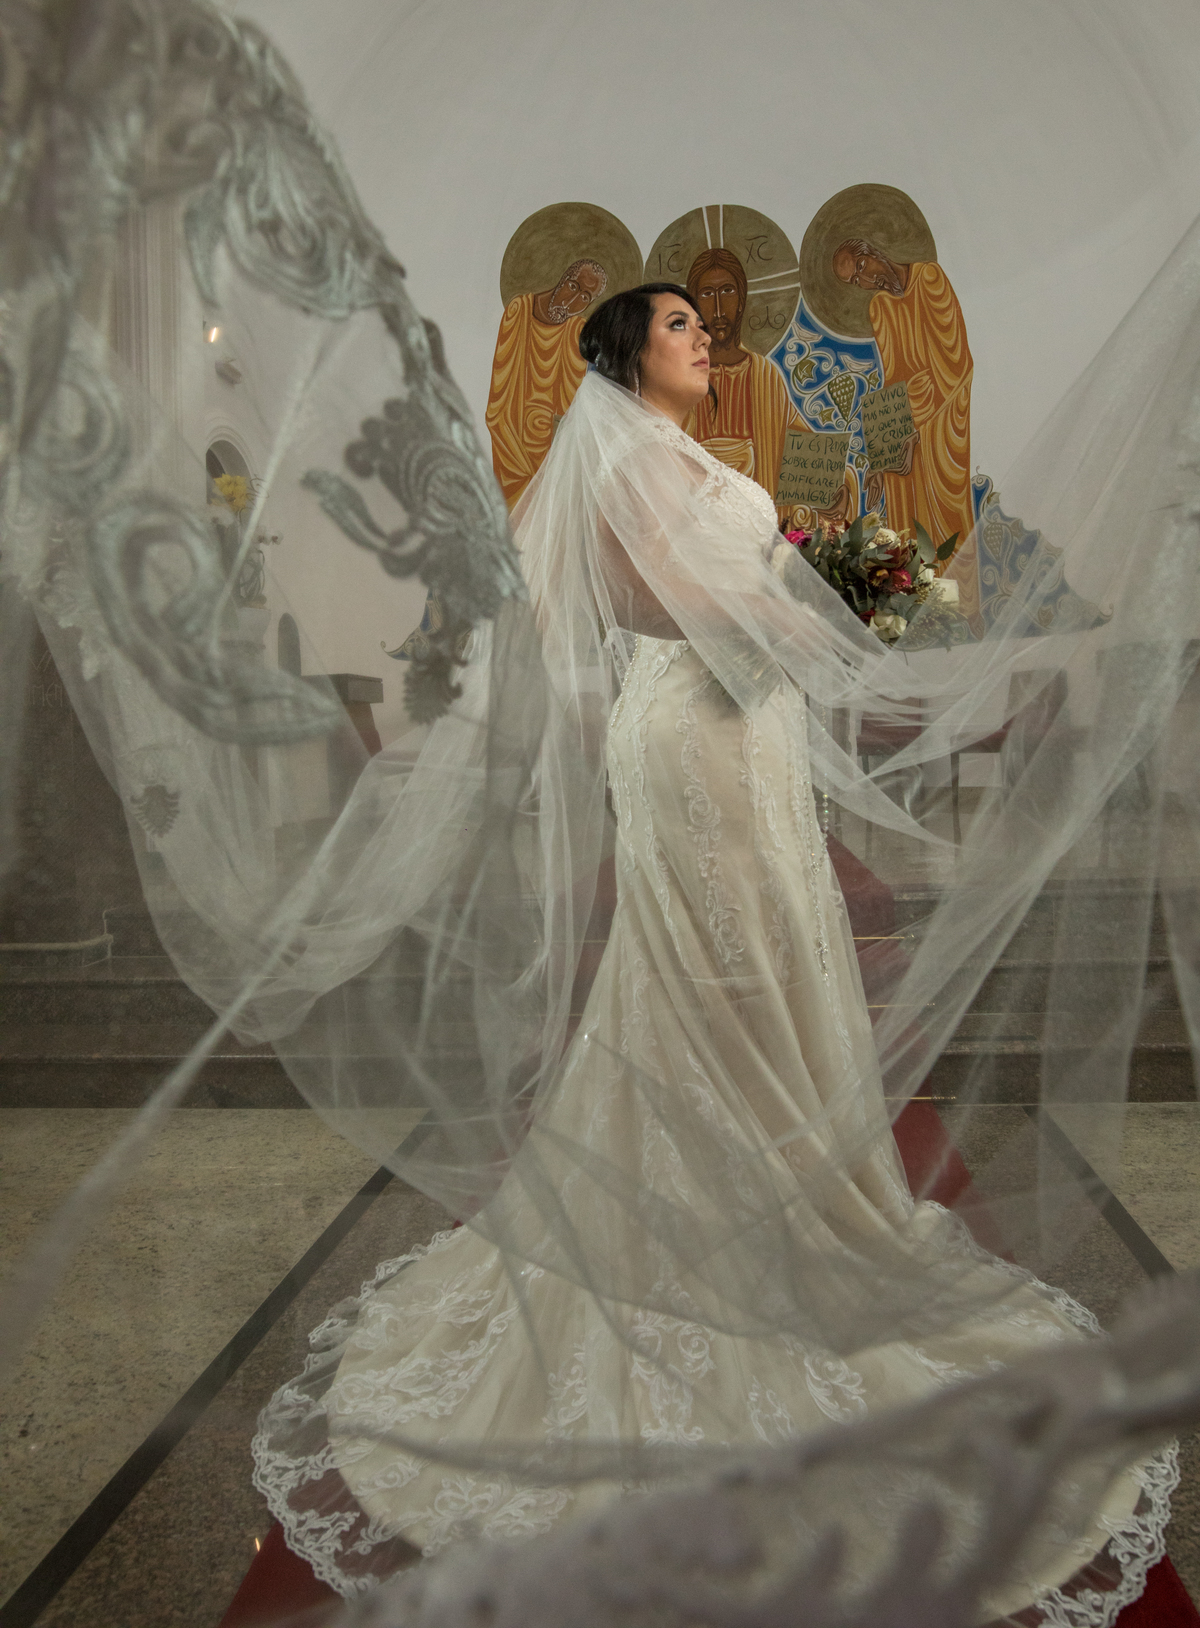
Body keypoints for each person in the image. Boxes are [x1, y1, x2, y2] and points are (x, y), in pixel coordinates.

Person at [251, 285, 1167, 1616]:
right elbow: (664, 606)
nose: (703, 340)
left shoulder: (686, 455)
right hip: (697, 731)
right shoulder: (625, 455)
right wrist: (829, 614)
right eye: (680, 326)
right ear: (630, 353)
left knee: (769, 951)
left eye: (702, 326)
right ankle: (717, 1225)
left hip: (747, 726)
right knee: (721, 964)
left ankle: (783, 1185)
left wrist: (826, 599)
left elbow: (736, 592)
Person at [831, 237, 975, 561]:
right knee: (908, 528)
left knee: (946, 522)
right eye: (856, 281)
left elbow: (955, 365)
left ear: (874, 251)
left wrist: (918, 430)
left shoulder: (930, 278)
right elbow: (893, 379)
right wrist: (882, 454)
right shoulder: (880, 307)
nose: (867, 280)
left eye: (863, 267)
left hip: (939, 421)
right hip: (907, 423)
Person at [685, 246, 804, 507]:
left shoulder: (765, 375)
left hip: (757, 514)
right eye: (707, 294)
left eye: (727, 291)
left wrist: (837, 486)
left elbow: (803, 449)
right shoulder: (683, 378)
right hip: (699, 515)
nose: (718, 309)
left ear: (741, 300)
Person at [485, 257, 609, 508]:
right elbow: (501, 387)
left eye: (585, 298)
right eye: (573, 287)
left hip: (545, 435)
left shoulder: (576, 330)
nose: (572, 302)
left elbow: (568, 405)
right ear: (562, 279)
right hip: (509, 427)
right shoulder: (519, 310)